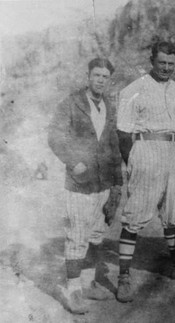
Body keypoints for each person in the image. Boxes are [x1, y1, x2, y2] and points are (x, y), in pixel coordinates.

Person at [116, 41, 175, 302]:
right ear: (152, 61)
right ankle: (124, 275)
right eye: (162, 63)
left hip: (173, 152)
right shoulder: (135, 89)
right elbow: (123, 132)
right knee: (136, 212)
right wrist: (134, 159)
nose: (167, 68)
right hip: (146, 150)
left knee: (172, 211)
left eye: (171, 63)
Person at [48, 58, 122, 314]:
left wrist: (117, 183)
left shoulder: (109, 106)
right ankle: (72, 289)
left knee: (96, 235)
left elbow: (113, 145)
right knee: (77, 236)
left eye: (105, 76)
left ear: (109, 80)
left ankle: (89, 283)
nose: (100, 80)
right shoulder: (71, 103)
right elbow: (55, 136)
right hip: (79, 182)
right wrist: (73, 161)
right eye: (96, 75)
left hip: (103, 182)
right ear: (88, 76)